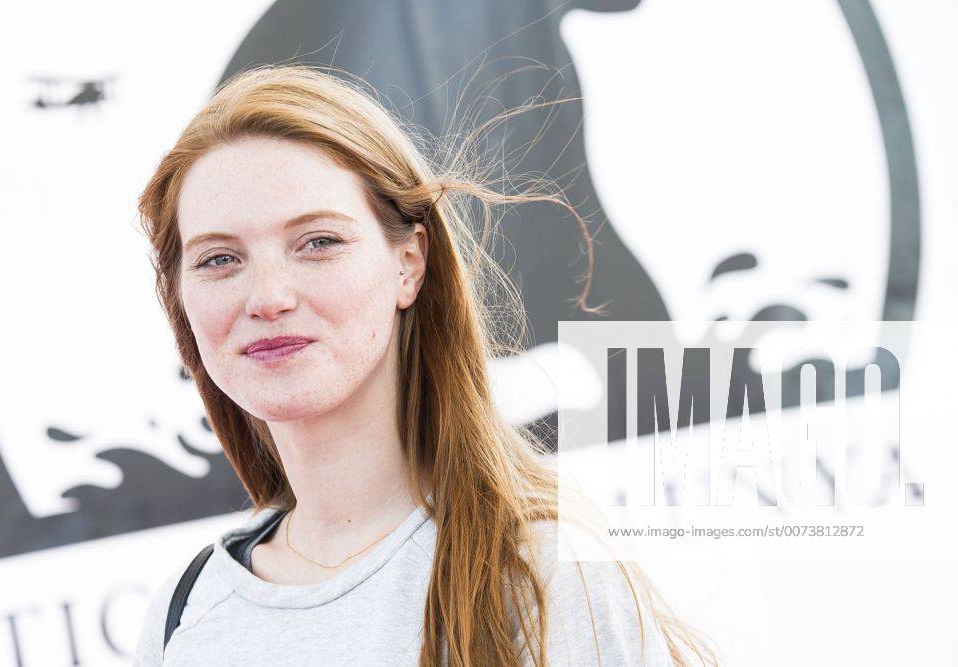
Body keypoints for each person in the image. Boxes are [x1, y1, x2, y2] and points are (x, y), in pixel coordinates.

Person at [131, 63, 717, 666]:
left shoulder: (537, 572)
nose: (268, 297)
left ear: (408, 263)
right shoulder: (184, 616)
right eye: (220, 259)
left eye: (318, 243)